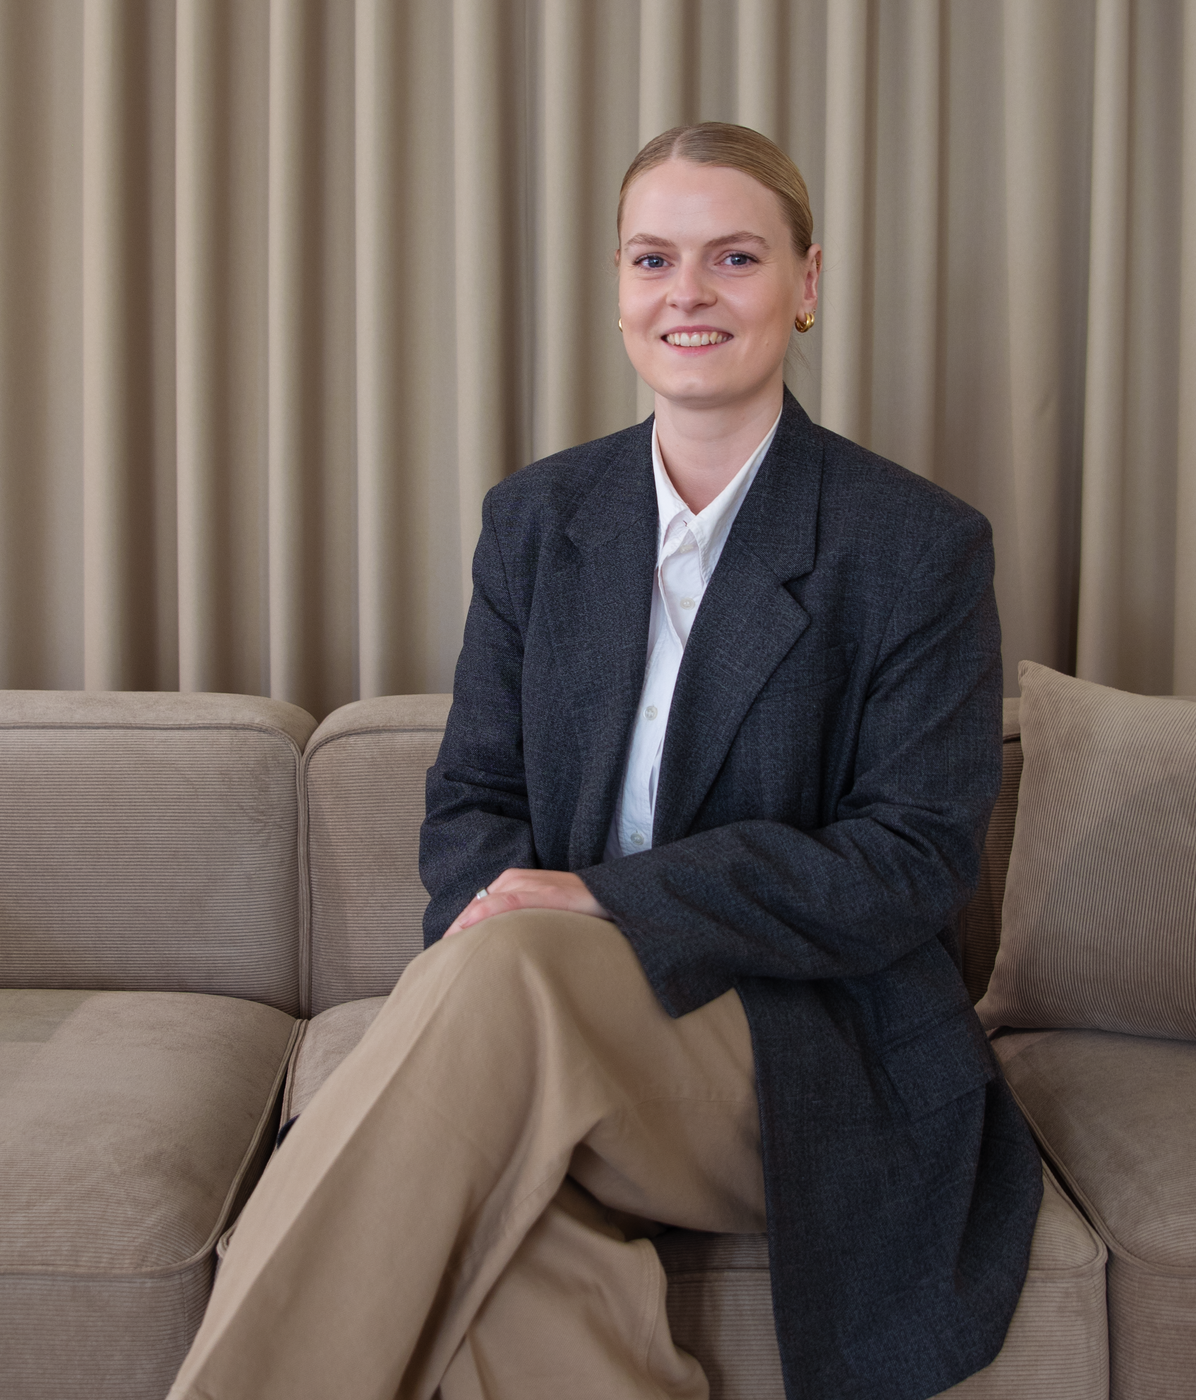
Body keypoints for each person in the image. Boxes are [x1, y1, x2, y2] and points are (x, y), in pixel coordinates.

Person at [167, 122, 1041, 1400]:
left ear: (804, 283)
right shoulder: (537, 518)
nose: (686, 292)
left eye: (732, 256)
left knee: (490, 996)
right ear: (618, 287)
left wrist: (598, 900)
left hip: (802, 1045)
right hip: (542, 1018)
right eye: (651, 258)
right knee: (488, 1213)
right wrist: (511, 922)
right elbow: (472, 797)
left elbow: (907, 863)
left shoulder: (913, 545)